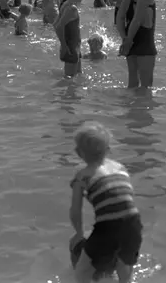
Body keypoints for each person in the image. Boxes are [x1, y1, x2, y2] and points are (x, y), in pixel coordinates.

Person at [69, 121, 142, 283]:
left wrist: (78, 233)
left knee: (81, 272)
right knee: (125, 268)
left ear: (78, 152)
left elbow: (75, 211)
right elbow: (126, 198)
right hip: (134, 223)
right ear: (108, 150)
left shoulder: (82, 176)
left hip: (108, 228)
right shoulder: (120, 168)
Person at [116, 0, 158, 89]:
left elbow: (120, 17)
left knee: (133, 85)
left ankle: (129, 103)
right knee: (146, 87)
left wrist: (125, 38)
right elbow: (137, 19)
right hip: (144, 41)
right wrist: (128, 40)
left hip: (132, 42)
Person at [54, 0, 85, 77]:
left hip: (74, 46)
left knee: (78, 75)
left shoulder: (65, 4)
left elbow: (55, 24)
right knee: (69, 79)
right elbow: (58, 26)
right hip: (71, 47)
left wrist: (63, 43)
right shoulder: (72, 8)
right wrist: (64, 45)